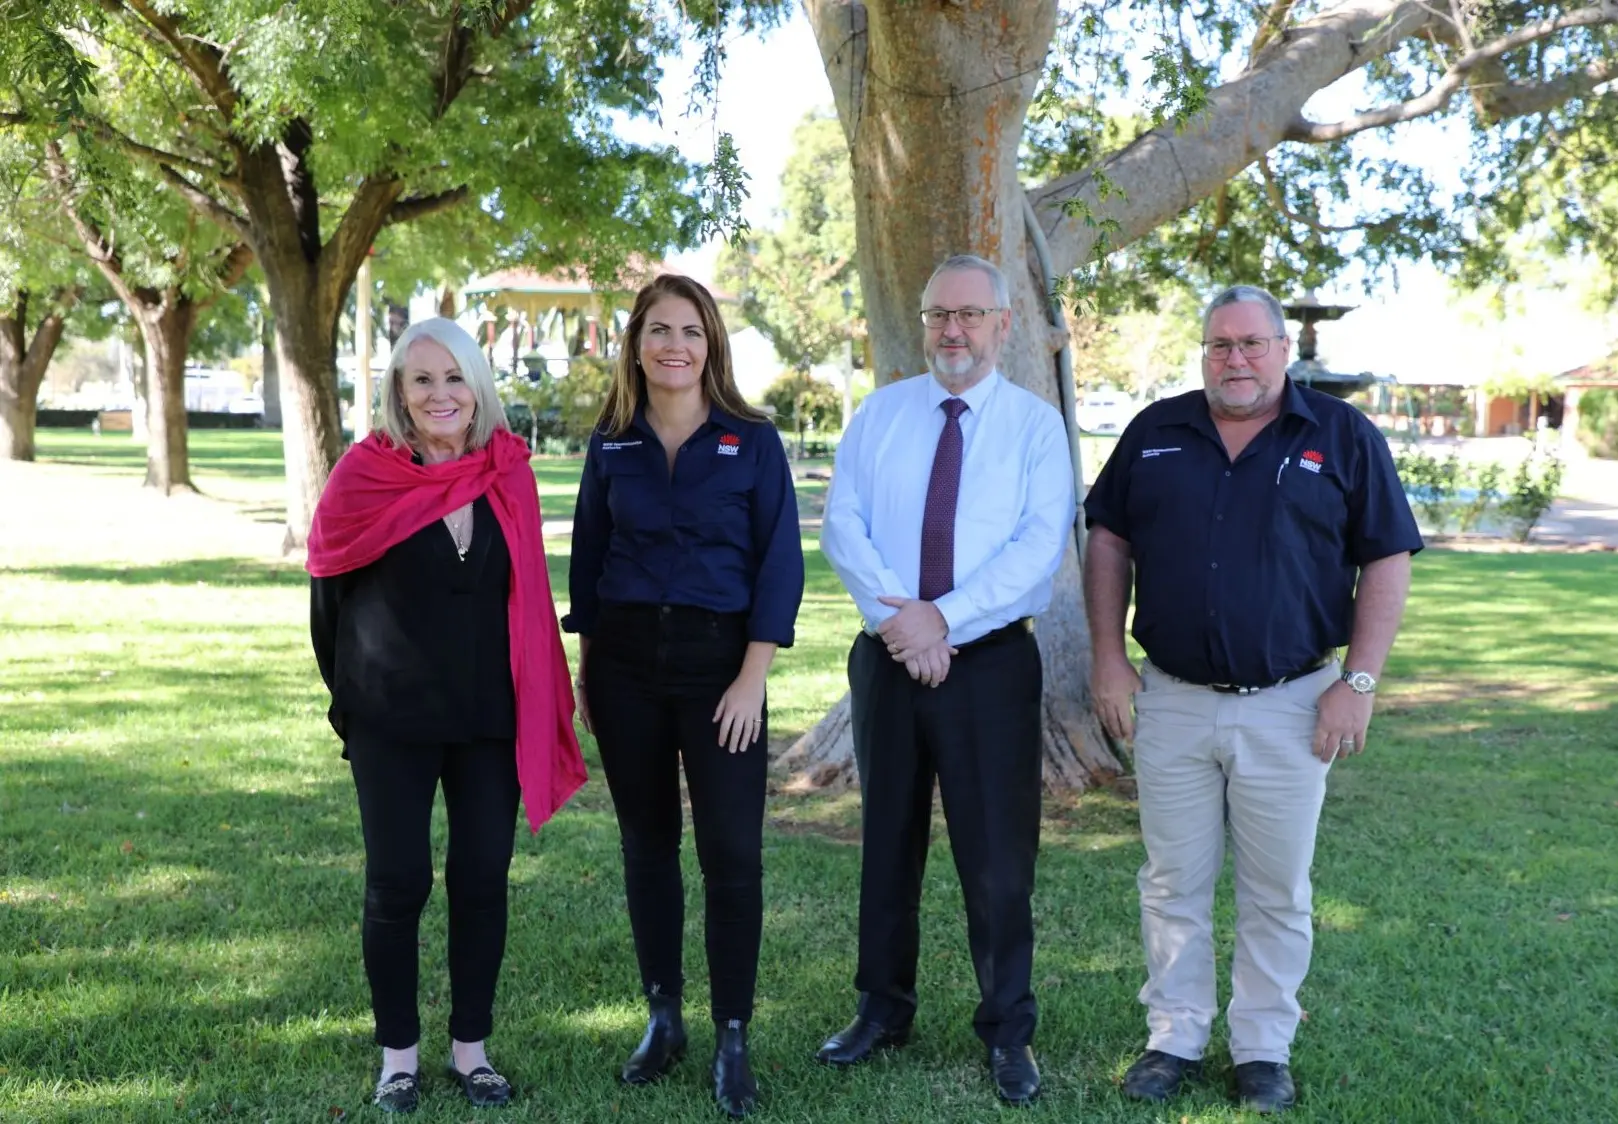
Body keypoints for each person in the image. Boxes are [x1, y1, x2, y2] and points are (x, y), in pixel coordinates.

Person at [1082, 284, 1422, 1113]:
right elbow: (1108, 537)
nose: (1235, 359)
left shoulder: (1340, 435)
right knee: (1172, 881)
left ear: (1282, 349)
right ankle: (1175, 1037)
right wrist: (1106, 660)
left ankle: (1263, 1048)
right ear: (1204, 353)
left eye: (1251, 344)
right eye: (1219, 346)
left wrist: (1360, 681)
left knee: (1277, 888)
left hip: (1293, 702)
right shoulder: (1156, 431)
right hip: (1171, 699)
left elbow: (1386, 557)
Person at [307, 318, 586, 1113]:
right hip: (390, 719)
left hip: (489, 719)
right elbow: (327, 603)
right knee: (397, 884)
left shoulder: (509, 474)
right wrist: (358, 702)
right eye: (420, 379)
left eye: (454, 378)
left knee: (479, 880)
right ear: (398, 390)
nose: (439, 394)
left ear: (478, 388)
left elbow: (527, 593)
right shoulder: (362, 477)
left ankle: (472, 1051)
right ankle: (399, 1057)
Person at [815, 254, 1075, 1106]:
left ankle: (1008, 1030)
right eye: (937, 315)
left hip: (991, 665)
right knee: (886, 844)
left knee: (998, 860)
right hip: (890, 657)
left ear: (1003, 324)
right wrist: (903, 623)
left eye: (969, 315)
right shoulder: (880, 416)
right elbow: (843, 525)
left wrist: (945, 619)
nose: (951, 331)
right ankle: (882, 1010)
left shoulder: (1036, 429)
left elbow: (1038, 550)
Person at [564, 273, 803, 1120]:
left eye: (691, 331)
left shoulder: (753, 440)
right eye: (659, 330)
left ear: (712, 345)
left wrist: (752, 677)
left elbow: (781, 563)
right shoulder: (613, 442)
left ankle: (732, 1034)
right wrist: (589, 671)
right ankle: (664, 1018)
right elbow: (588, 560)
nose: (675, 346)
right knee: (648, 845)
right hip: (625, 666)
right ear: (636, 344)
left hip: (720, 669)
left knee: (732, 856)